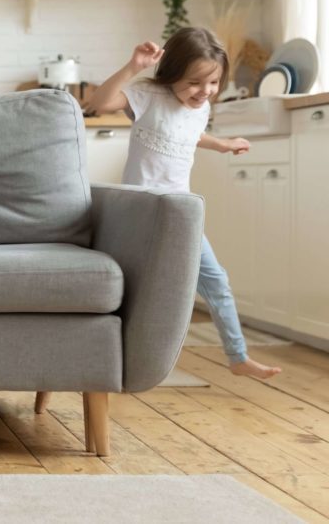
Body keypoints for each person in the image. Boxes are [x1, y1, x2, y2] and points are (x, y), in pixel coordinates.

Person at [89, 26, 281, 379]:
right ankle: (111, 357)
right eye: (194, 83)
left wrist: (222, 144)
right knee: (135, 289)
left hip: (181, 214)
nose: (204, 92)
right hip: (142, 213)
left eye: (213, 83)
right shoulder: (148, 95)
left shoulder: (200, 108)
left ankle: (237, 356)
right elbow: (99, 104)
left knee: (217, 282)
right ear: (173, 72)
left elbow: (188, 134)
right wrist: (133, 66)